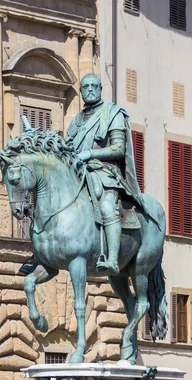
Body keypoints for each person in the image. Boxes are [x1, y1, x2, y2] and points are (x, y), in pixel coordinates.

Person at [67, 74, 154, 275]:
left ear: (100, 89)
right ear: (80, 92)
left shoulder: (113, 114)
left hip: (106, 172)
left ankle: (113, 259)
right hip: (79, 172)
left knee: (106, 207)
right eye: (85, 87)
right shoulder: (77, 120)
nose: (90, 89)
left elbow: (118, 149)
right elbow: (68, 146)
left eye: (94, 86)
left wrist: (89, 153)